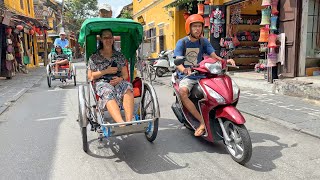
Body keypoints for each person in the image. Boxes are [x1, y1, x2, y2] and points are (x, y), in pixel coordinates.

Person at [174, 14, 236, 137]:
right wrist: (184, 70)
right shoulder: (182, 43)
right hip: (188, 76)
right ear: (189, 28)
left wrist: (225, 61)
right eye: (195, 26)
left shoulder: (203, 41)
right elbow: (177, 62)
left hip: (202, 74)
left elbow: (213, 56)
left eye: (199, 26)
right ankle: (202, 122)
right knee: (183, 92)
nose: (197, 29)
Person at [87, 29, 134, 124]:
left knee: (128, 87)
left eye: (110, 37)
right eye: (105, 37)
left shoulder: (119, 56)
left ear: (113, 39)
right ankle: (121, 124)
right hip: (102, 82)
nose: (108, 40)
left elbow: (125, 75)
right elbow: (90, 77)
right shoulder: (94, 57)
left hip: (118, 81)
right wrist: (106, 71)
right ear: (101, 39)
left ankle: (129, 122)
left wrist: (120, 79)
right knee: (107, 91)